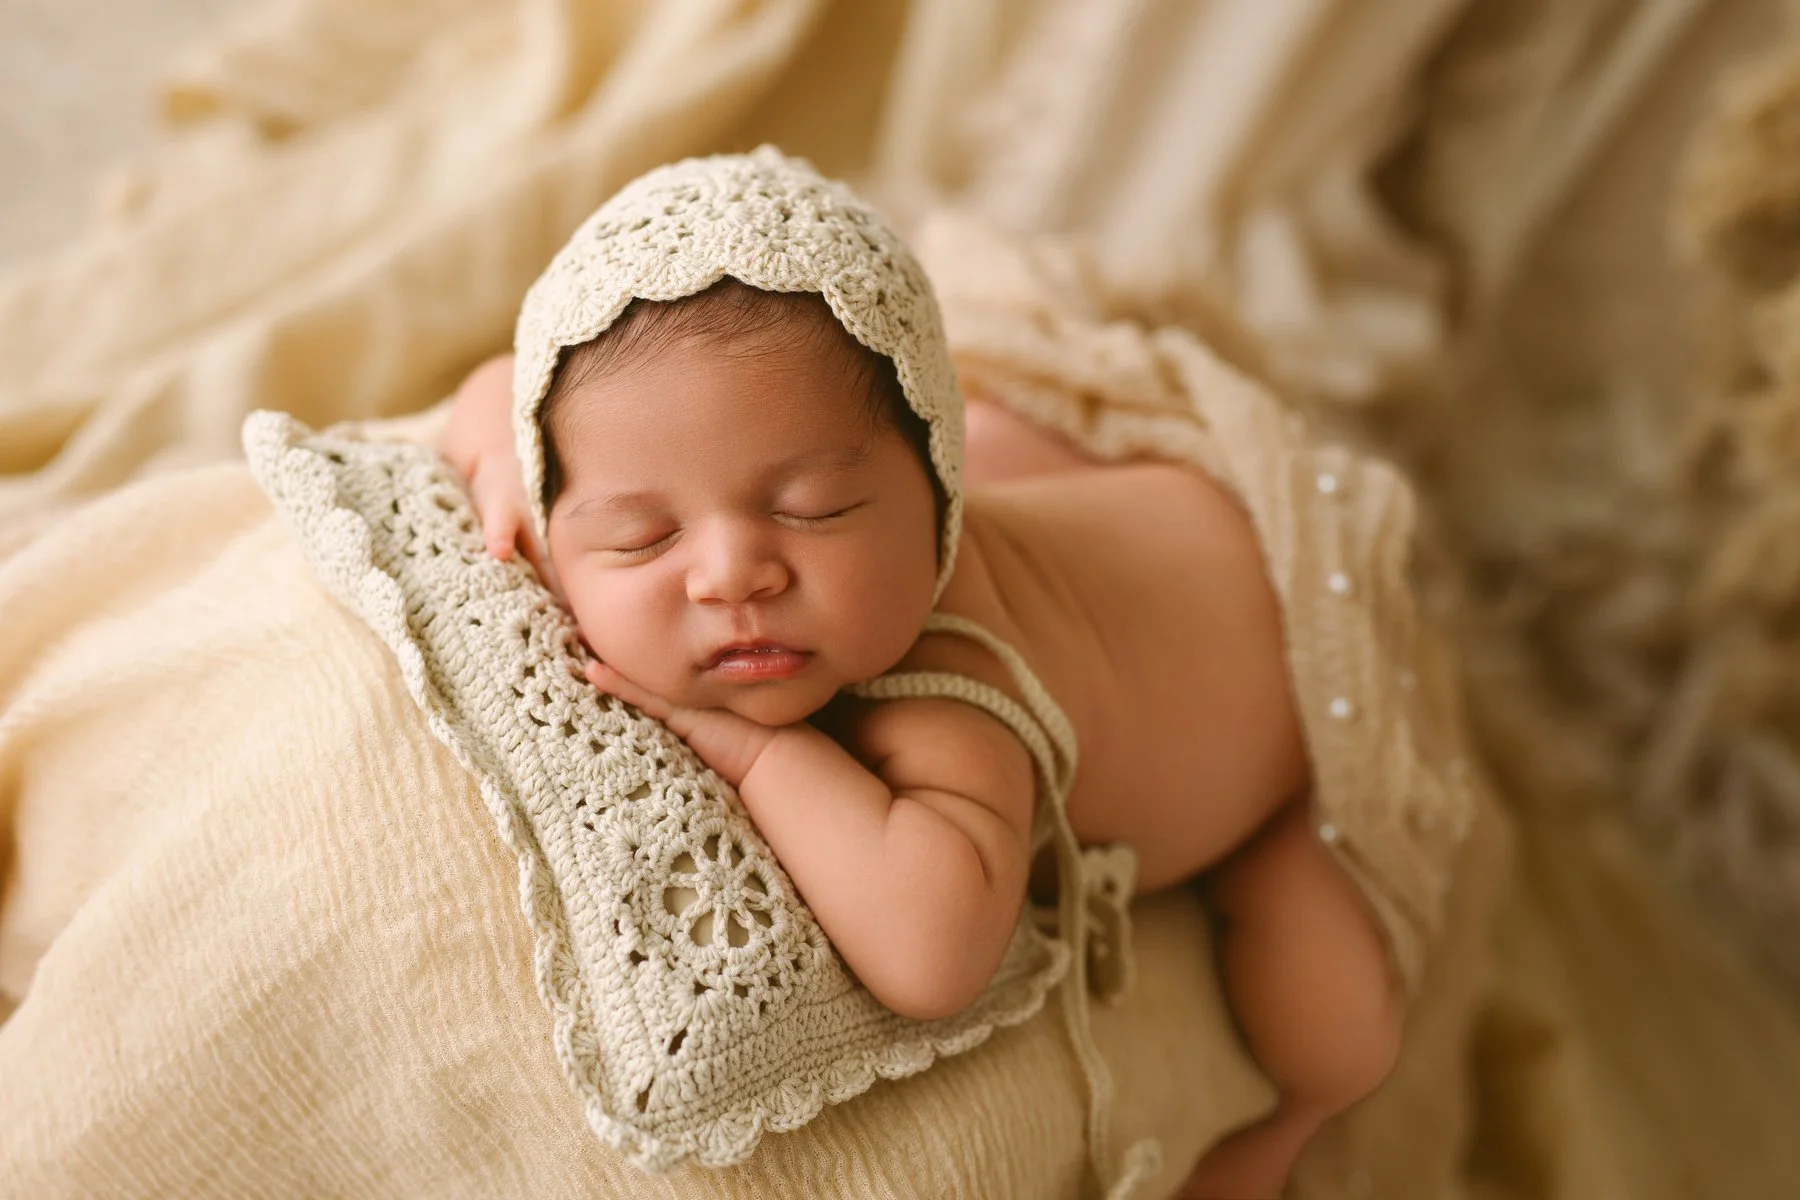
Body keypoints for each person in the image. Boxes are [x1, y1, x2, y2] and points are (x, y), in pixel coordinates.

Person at [439, 150, 1409, 1199]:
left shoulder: (953, 687)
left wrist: (764, 753)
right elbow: (499, 387)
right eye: (641, 534)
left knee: (1327, 1021)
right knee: (954, 437)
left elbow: (934, 951)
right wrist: (498, 463)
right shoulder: (596, 494)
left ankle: (1295, 1127)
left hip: (1285, 670)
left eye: (813, 509)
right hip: (1121, 522)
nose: (730, 575)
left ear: (934, 496)